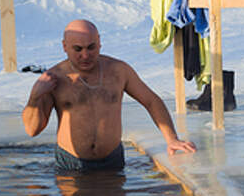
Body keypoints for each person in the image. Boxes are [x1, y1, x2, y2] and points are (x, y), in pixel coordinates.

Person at [22, 19, 196, 172]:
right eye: (78, 49)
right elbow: (32, 130)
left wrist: (171, 138)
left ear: (99, 42)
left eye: (91, 47)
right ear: (65, 47)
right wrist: (34, 97)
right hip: (71, 165)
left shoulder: (119, 71)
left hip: (112, 161)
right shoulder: (54, 78)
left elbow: (151, 101)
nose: (85, 55)